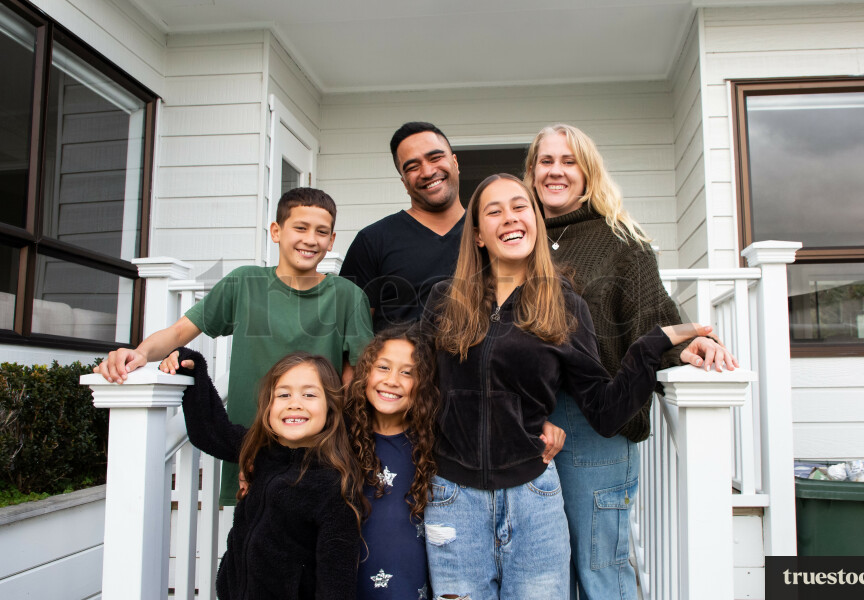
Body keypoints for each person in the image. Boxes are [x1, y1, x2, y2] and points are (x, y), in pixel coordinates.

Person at [420, 173, 713, 599]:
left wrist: (654, 345)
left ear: (536, 222)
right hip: (453, 498)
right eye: (494, 211)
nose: (509, 218)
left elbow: (605, 410)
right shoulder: (444, 299)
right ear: (479, 234)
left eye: (520, 206)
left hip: (533, 499)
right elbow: (421, 388)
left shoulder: (564, 304)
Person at [523, 123, 736, 599]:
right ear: (532, 171)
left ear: (587, 172)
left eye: (568, 161)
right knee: (538, 569)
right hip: (522, 416)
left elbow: (651, 317)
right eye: (546, 161)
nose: (556, 171)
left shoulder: (622, 241)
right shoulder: (517, 236)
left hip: (594, 422)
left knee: (600, 565)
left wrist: (687, 348)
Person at [94, 187, 373, 504]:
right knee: (253, 538)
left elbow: (358, 376)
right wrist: (141, 353)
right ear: (276, 231)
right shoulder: (244, 283)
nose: (311, 239)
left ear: (332, 241)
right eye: (301, 227)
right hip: (251, 444)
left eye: (321, 232)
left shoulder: (348, 296)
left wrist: (338, 439)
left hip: (319, 450)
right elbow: (179, 332)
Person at [174, 347, 363, 600]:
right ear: (268, 407)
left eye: (309, 394)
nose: (294, 404)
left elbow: (336, 583)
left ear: (330, 409)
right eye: (283, 395)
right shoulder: (259, 452)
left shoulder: (334, 486)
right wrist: (193, 365)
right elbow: (209, 431)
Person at [340, 122, 466, 332]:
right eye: (412, 167)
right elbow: (351, 337)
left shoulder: (488, 233)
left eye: (435, 158)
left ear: (455, 162)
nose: (427, 171)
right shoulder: (373, 241)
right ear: (404, 182)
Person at [344, 324, 440, 599]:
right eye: (383, 367)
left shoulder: (433, 444)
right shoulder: (339, 439)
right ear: (366, 372)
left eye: (407, 373)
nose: (392, 380)